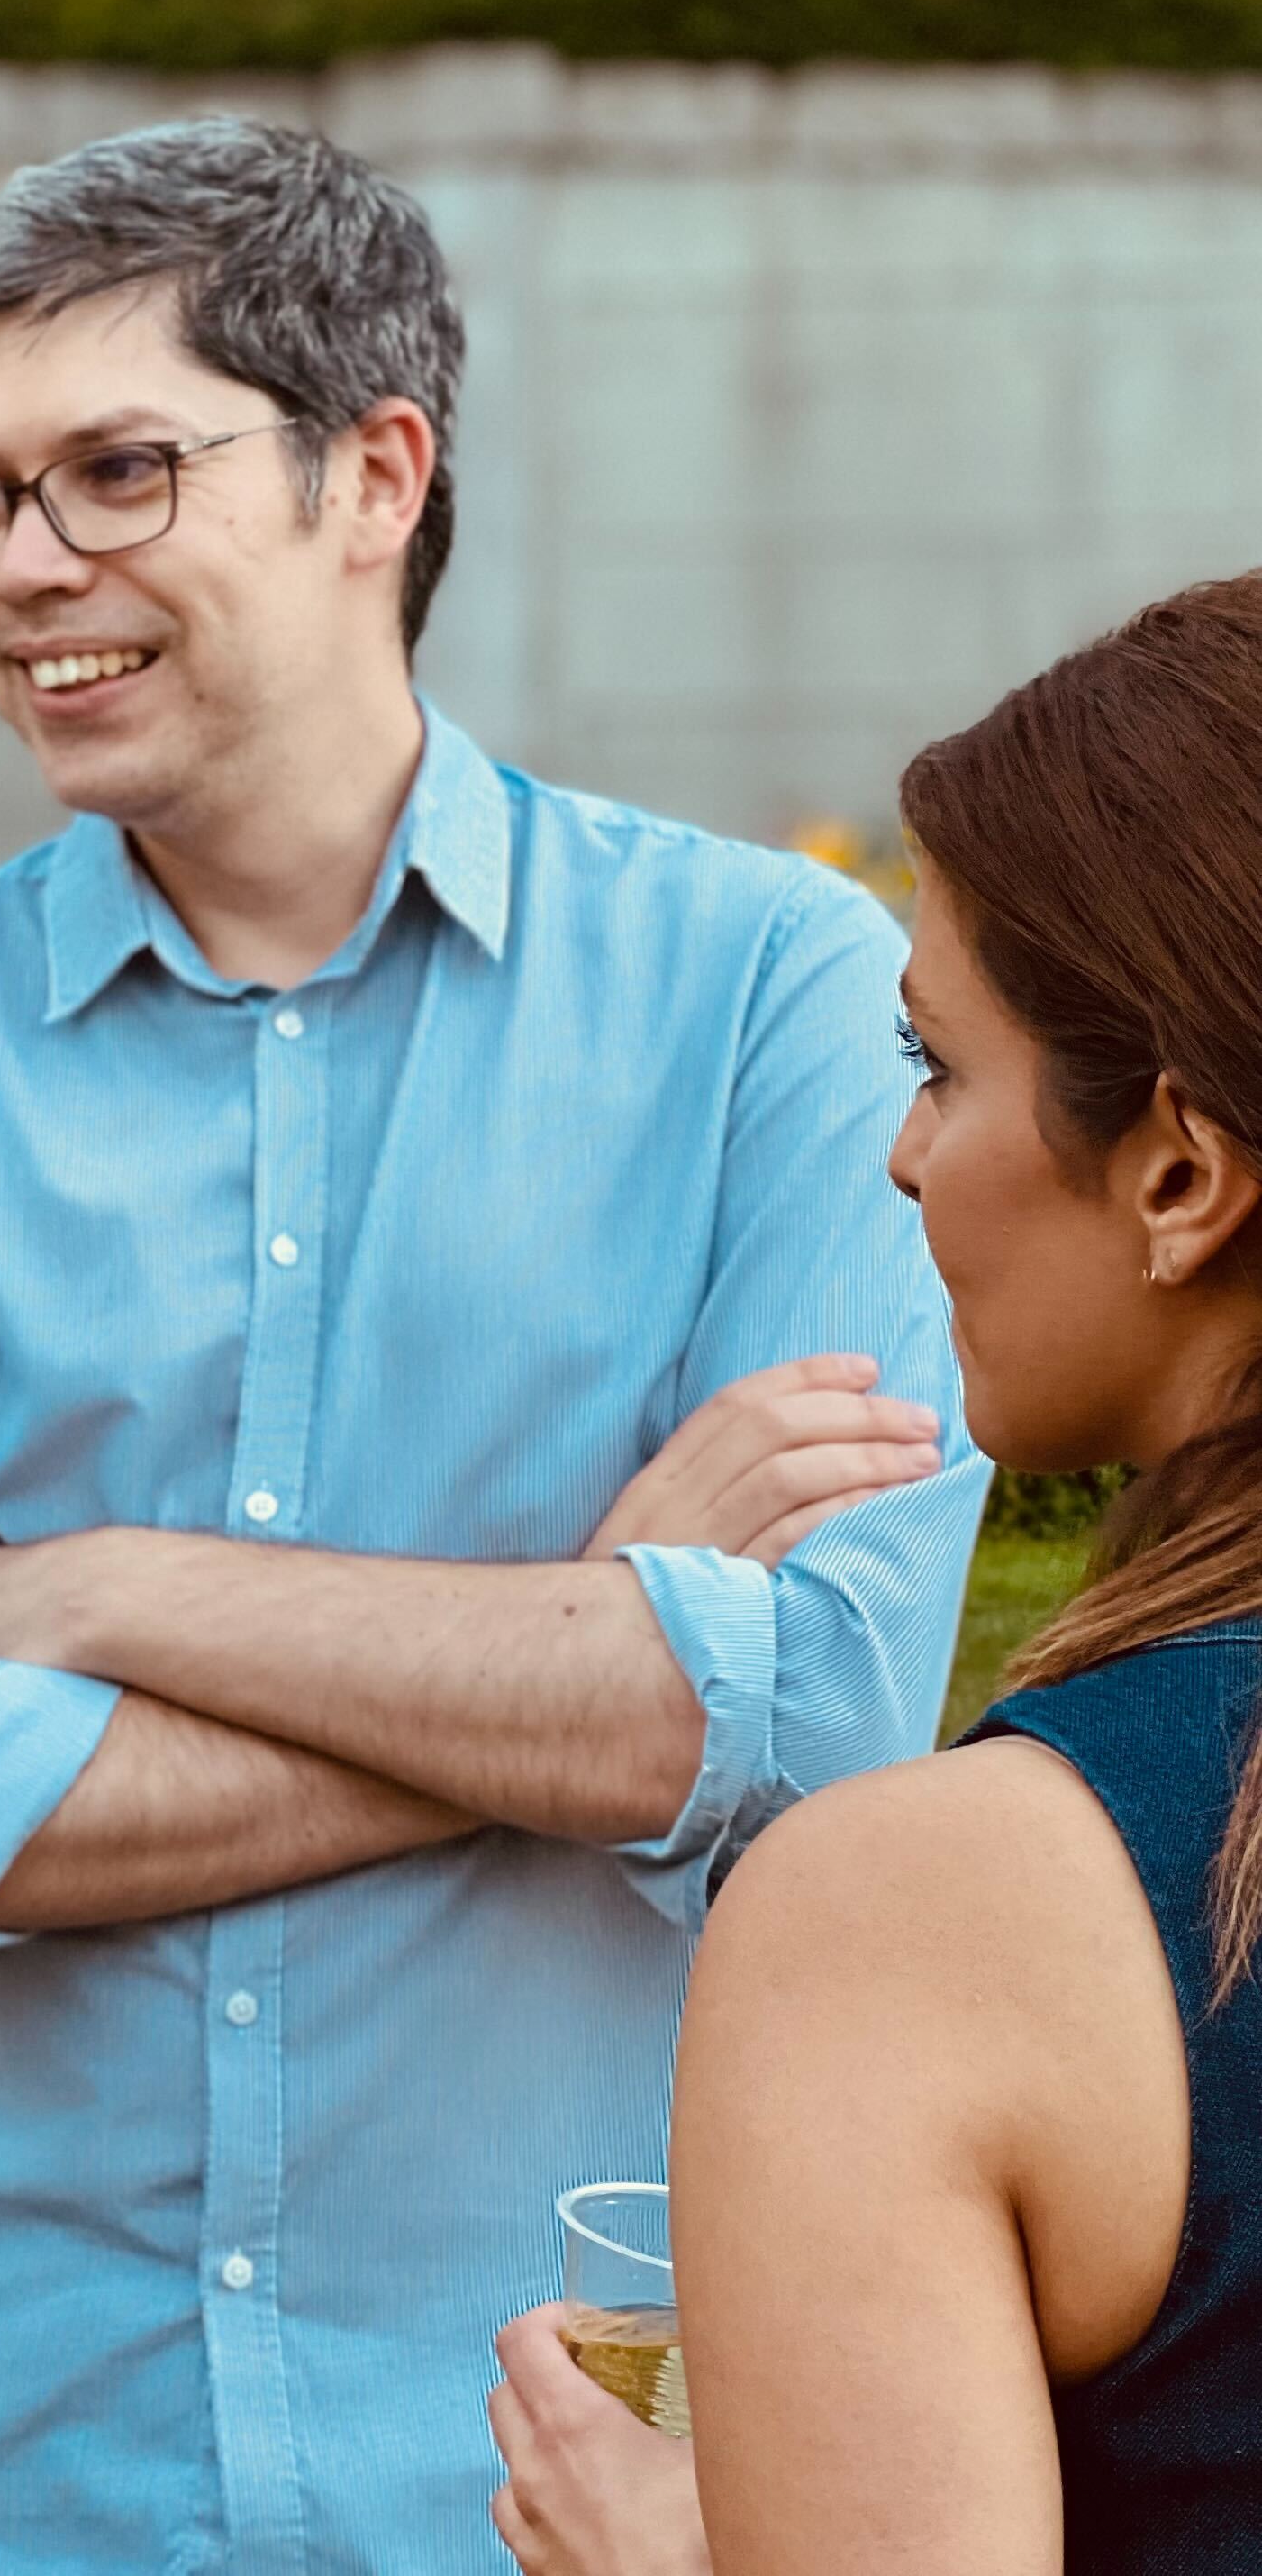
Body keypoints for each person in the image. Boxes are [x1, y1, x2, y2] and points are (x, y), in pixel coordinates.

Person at [0, 114, 987, 2573]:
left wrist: (101, 1596)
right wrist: (578, 1655)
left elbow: (808, 1723)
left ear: (375, 475)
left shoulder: (777, 1002)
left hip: (540, 2488)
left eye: (116, 473)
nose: (18, 565)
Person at [488, 576, 1262, 2573]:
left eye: (938, 1068)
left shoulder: (923, 1924)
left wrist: (672, 2551)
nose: (904, 1158)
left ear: (1180, 1174)